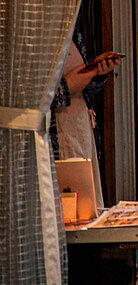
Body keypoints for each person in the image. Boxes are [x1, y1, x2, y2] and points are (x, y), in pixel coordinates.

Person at [51, 20, 121, 210]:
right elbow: (26, 102)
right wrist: (65, 87)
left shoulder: (71, 27)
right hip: (55, 140)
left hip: (80, 130)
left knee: (86, 208)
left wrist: (96, 71)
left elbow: (86, 91)